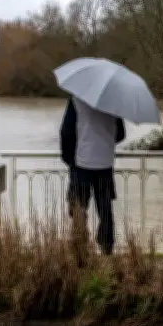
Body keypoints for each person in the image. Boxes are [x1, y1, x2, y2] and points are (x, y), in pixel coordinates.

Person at [60, 96, 126, 255]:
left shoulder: (76, 100)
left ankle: (80, 247)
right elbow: (121, 134)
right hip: (104, 163)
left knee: (78, 206)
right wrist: (105, 141)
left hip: (81, 163)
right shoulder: (114, 103)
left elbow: (66, 132)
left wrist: (69, 158)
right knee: (105, 209)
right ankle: (106, 248)